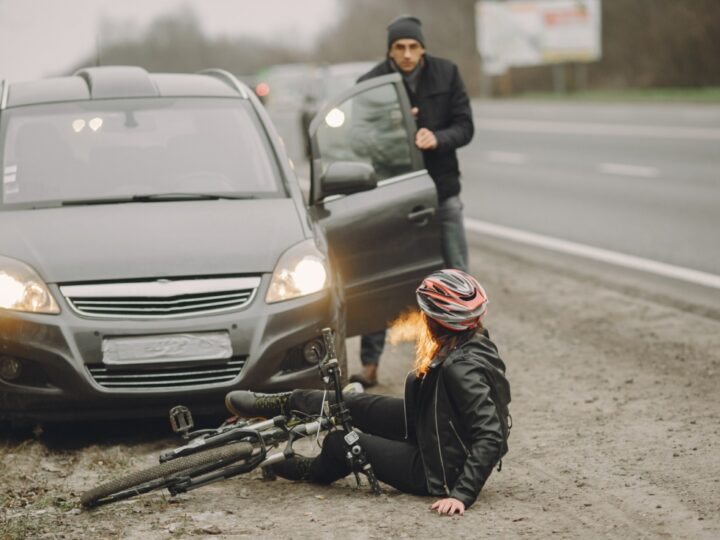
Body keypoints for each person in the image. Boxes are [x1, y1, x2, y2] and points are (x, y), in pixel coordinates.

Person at [225, 269, 510, 516]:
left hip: (435, 469)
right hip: (430, 428)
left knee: (342, 442)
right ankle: (280, 403)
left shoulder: (462, 368)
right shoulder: (469, 342)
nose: (422, 317)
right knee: (350, 402)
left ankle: (304, 469)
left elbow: (491, 434)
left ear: (440, 320)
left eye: (426, 313)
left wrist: (461, 495)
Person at [351, 15, 474, 387]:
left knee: (455, 273)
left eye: (413, 47)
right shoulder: (369, 85)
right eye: (399, 47)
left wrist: (437, 138)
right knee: (379, 277)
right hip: (390, 195)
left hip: (441, 190)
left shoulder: (447, 73)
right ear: (389, 50)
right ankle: (370, 364)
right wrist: (396, 130)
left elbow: (465, 126)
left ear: (423, 48)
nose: (407, 54)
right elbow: (359, 141)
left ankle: (467, 352)